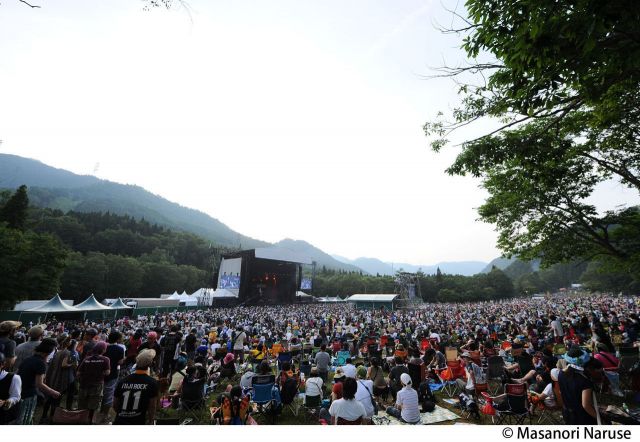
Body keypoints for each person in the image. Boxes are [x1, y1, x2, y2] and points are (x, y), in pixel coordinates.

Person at [16, 338, 60, 425]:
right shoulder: (41, 363)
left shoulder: (28, 359)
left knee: (20, 418)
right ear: (49, 351)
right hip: (29, 396)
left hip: (20, 392)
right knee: (25, 419)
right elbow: (39, 384)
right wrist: (53, 392)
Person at [113, 349, 159, 425]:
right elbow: (152, 407)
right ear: (150, 364)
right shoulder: (152, 383)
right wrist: (151, 421)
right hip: (139, 421)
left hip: (120, 420)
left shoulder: (123, 381)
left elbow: (115, 405)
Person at [557, 346, 597, 425]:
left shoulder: (561, 373)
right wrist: (598, 418)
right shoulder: (584, 381)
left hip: (567, 413)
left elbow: (561, 392)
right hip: (582, 417)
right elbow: (586, 405)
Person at [41, 336, 74, 422]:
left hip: (53, 378)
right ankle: (52, 417)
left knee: (48, 399)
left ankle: (44, 416)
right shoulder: (67, 352)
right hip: (60, 379)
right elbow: (64, 365)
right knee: (56, 399)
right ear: (68, 343)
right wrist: (72, 364)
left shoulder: (57, 352)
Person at [77, 341, 110, 423]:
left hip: (84, 385)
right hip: (97, 386)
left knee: (82, 406)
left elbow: (78, 373)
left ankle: (81, 421)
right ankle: (91, 422)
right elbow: (107, 372)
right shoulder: (105, 359)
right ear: (103, 350)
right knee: (94, 407)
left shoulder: (87, 359)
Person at [101, 331, 125, 423]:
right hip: (113, 373)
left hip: (101, 373)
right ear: (118, 339)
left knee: (100, 392)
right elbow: (120, 362)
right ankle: (105, 415)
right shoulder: (120, 349)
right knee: (108, 394)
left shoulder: (103, 346)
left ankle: (97, 412)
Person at [0, 353, 21, 424]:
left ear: (2, 365)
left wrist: (5, 402)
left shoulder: (13, 378)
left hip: (4, 414)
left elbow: (16, 397)